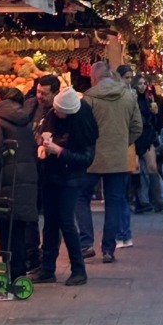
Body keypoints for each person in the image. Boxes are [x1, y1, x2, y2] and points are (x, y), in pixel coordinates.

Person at [30, 87, 98, 286]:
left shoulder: (83, 125)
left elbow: (86, 159)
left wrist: (59, 151)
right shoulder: (53, 114)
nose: (56, 113)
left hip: (71, 179)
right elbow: (45, 133)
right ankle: (47, 269)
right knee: (50, 222)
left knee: (66, 222)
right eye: (55, 110)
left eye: (60, 111)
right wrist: (43, 147)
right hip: (50, 175)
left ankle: (79, 269)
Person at [76, 61, 142, 263]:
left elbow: (83, 129)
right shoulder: (128, 96)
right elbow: (137, 127)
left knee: (81, 196)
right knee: (114, 201)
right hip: (118, 159)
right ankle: (108, 249)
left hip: (92, 159)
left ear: (94, 78)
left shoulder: (88, 98)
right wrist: (123, 143)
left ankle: (86, 242)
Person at [0, 86, 39, 283]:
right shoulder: (25, 121)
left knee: (6, 229)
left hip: (5, 181)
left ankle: (10, 273)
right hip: (27, 180)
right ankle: (19, 273)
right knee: (19, 229)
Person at [22, 73, 61, 273]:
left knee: (52, 218)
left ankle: (48, 260)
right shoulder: (29, 106)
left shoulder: (61, 111)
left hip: (52, 170)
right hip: (31, 167)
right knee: (30, 213)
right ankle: (32, 255)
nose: (40, 96)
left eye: (44, 93)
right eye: (38, 91)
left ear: (55, 93)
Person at [133, 74, 163, 214]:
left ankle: (158, 200)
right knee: (137, 170)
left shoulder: (148, 101)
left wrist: (156, 113)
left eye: (143, 84)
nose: (142, 86)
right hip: (136, 138)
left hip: (147, 137)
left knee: (152, 167)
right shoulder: (132, 100)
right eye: (139, 84)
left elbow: (156, 122)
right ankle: (141, 200)